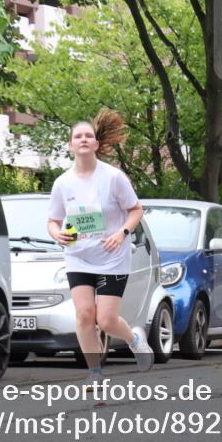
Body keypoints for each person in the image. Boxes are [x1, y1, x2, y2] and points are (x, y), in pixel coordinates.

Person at [47, 109, 152, 385]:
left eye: (88, 136)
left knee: (105, 320)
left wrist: (122, 233)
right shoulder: (62, 183)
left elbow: (136, 210)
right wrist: (58, 235)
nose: (83, 139)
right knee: (83, 315)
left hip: (112, 256)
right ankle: (95, 372)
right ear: (70, 145)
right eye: (77, 136)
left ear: (95, 144)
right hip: (78, 256)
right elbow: (53, 221)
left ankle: (134, 338)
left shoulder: (113, 177)